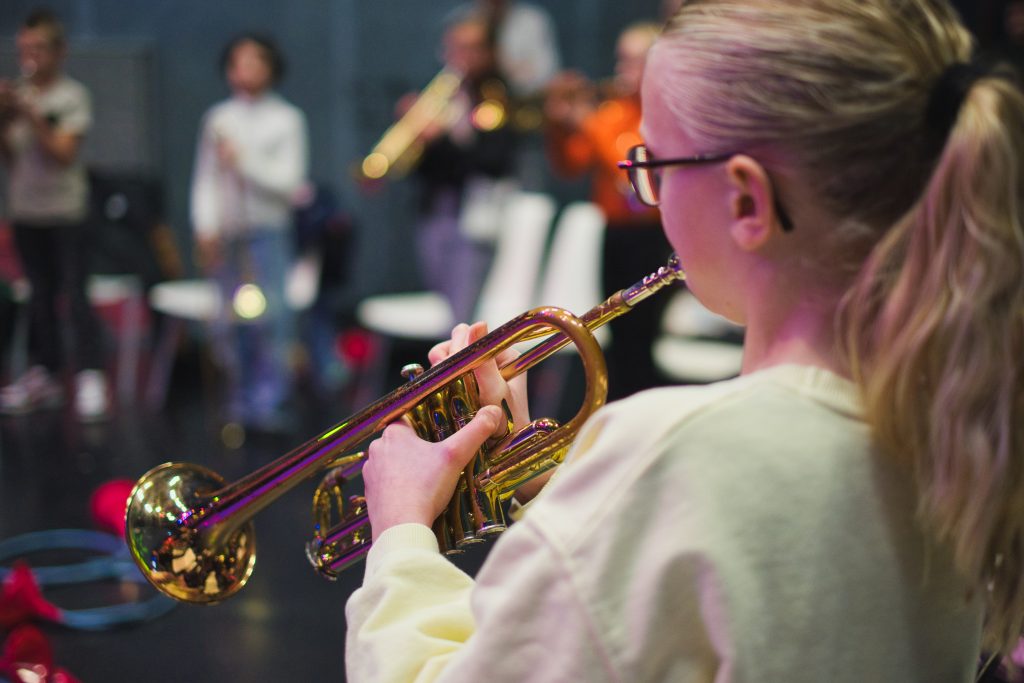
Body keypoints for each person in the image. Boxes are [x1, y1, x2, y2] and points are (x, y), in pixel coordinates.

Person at [344, 0, 1024, 681]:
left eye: (654, 166)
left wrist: (401, 531)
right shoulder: (955, 425)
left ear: (746, 202)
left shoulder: (677, 449)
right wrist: (547, 483)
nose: (650, 191)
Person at [544, 21, 671, 400]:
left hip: (649, 237)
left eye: (633, 60)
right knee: (615, 331)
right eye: (622, 58)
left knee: (640, 336)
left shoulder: (659, 115)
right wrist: (557, 124)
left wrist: (586, 121)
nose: (621, 68)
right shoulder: (611, 111)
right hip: (614, 234)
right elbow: (571, 165)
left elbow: (631, 173)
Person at [190, 33, 308, 432]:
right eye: (238, 62)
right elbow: (205, 179)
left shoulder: (286, 118)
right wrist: (205, 226)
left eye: (254, 61)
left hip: (267, 232)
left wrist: (244, 160)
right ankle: (238, 401)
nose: (245, 70)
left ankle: (270, 402)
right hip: (229, 233)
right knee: (229, 320)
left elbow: (289, 183)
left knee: (271, 318)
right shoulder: (218, 118)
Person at [0, 8, 109, 421]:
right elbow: (11, 158)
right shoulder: (18, 97)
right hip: (27, 211)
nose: (30, 57)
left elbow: (62, 152)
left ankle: (90, 375)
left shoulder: (70, 97)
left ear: (59, 52)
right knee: (39, 297)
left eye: (39, 48)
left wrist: (29, 112)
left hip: (67, 212)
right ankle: (45, 372)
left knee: (75, 295)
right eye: (24, 49)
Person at [407, 14, 520, 323]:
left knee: (462, 315)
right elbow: (424, 168)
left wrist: (442, 138)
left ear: (489, 52)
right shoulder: (442, 93)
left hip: (475, 216)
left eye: (470, 48)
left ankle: (460, 371)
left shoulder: (496, 96)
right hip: (436, 209)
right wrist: (416, 134)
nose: (461, 57)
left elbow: (494, 162)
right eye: (454, 48)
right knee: (441, 308)